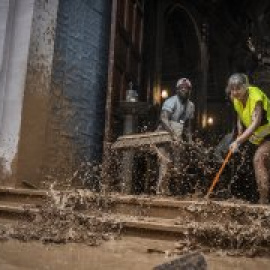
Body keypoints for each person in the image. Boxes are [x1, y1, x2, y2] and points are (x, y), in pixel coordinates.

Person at [226, 73, 270, 204]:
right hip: (259, 136)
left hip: (267, 132)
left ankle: (263, 203)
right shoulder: (235, 98)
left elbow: (256, 122)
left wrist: (238, 141)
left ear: (246, 86)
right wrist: (240, 132)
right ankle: (253, 197)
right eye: (232, 89)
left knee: (259, 159)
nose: (235, 92)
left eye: (238, 88)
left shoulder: (255, 96)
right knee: (252, 162)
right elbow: (240, 115)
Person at [156, 78, 195, 195]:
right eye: (181, 88)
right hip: (164, 134)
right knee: (165, 162)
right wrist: (173, 136)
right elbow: (163, 118)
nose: (184, 90)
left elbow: (187, 125)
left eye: (186, 88)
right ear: (177, 90)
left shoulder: (191, 106)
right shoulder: (171, 101)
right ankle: (160, 191)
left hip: (178, 135)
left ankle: (171, 189)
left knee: (177, 164)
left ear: (190, 91)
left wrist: (190, 140)